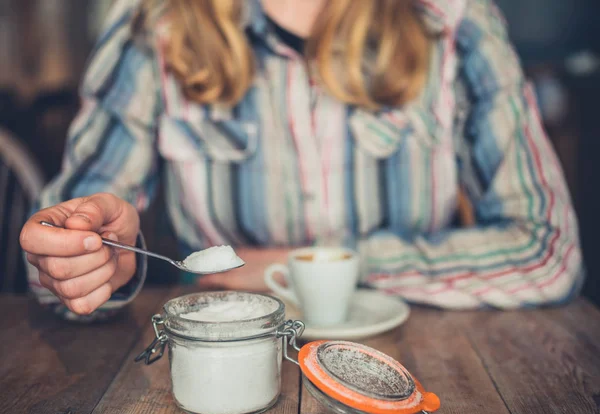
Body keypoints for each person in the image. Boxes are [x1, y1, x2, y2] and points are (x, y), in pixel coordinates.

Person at [20, 0, 583, 321]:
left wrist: (305, 266)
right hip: (228, 359)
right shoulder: (153, 24)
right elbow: (50, 263)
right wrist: (89, 266)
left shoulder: (452, 22)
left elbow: (547, 250)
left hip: (426, 365)